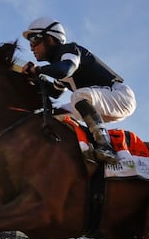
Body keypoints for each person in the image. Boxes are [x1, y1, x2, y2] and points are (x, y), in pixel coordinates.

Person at [21, 17, 136, 164]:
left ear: (50, 38)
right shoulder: (57, 64)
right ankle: (79, 151)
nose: (31, 47)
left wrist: (38, 70)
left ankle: (105, 147)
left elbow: (65, 70)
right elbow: (55, 92)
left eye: (34, 39)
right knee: (54, 115)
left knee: (78, 96)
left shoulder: (70, 49)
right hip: (97, 102)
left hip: (120, 96)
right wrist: (34, 79)